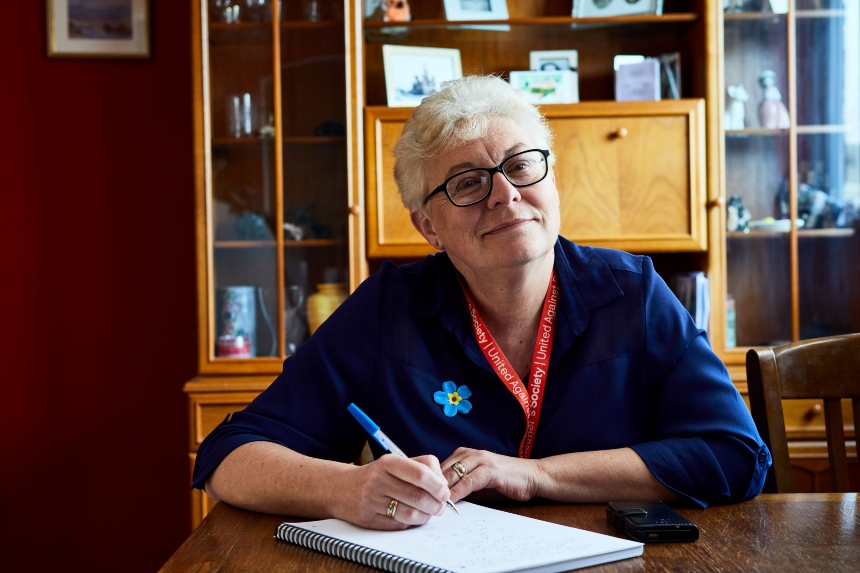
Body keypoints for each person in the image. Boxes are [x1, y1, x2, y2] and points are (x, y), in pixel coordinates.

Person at [193, 75, 770, 531]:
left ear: (552, 182)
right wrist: (346, 487)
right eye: (468, 183)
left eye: (522, 164)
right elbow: (227, 458)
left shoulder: (634, 291)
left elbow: (735, 455)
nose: (506, 193)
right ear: (429, 226)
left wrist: (536, 475)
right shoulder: (387, 310)